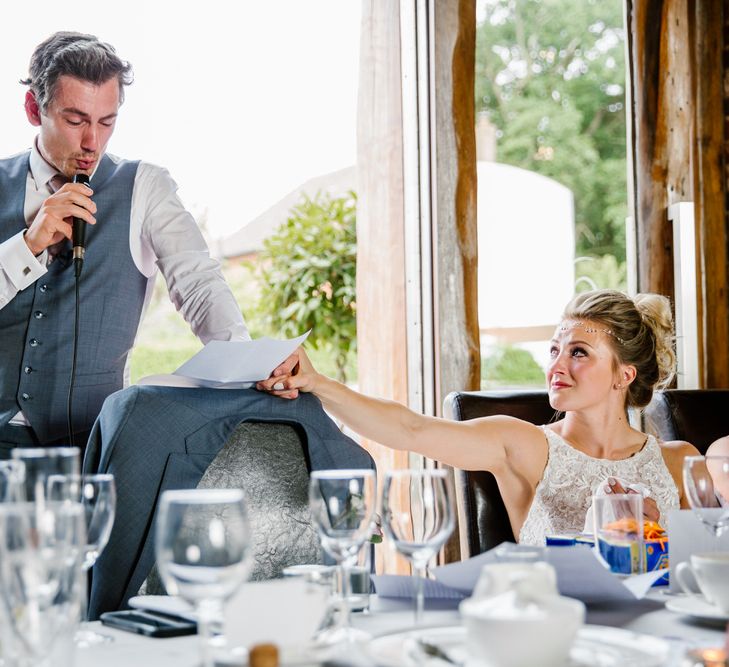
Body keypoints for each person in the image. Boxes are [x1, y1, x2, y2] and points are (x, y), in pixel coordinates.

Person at [259, 289, 701, 544]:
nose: (556, 367)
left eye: (578, 353)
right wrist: (318, 384)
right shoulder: (525, 445)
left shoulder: (680, 462)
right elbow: (410, 429)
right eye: (554, 350)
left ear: (625, 374)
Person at [0, 32, 251, 456]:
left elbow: (200, 285)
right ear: (33, 109)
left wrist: (247, 365)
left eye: (106, 122)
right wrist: (27, 244)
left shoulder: (145, 187)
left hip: (100, 447)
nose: (91, 143)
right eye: (76, 120)